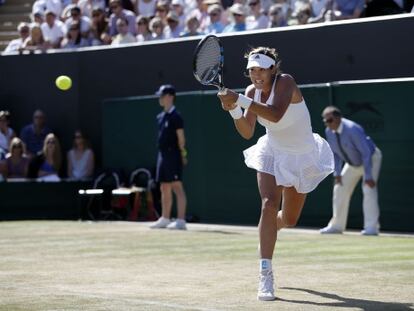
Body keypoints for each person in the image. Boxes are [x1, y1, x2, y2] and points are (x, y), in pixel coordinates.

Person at [217, 47, 334, 300]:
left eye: (260, 69)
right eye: (251, 70)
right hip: (272, 151)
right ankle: (265, 272)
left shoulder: (286, 82)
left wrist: (239, 100)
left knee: (289, 219)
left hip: (302, 154)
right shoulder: (250, 92)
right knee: (269, 204)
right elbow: (247, 132)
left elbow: (276, 114)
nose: (256, 74)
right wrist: (234, 110)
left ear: (272, 68)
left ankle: (272, 228)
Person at [319, 106, 382, 236]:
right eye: (325, 121)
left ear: (338, 118)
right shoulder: (329, 131)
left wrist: (368, 176)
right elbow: (335, 154)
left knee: (368, 190)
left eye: (329, 120)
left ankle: (371, 228)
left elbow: (366, 153)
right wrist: (337, 173)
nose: (327, 124)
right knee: (339, 189)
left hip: (370, 159)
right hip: (352, 164)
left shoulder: (353, 129)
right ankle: (336, 226)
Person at [150, 84, 188, 230]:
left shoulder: (176, 117)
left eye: (162, 95)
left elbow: (181, 139)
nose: (160, 98)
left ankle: (181, 220)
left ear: (170, 97)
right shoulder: (160, 117)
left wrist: (183, 154)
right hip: (162, 154)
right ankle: (165, 218)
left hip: (174, 154)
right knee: (164, 186)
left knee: (177, 187)